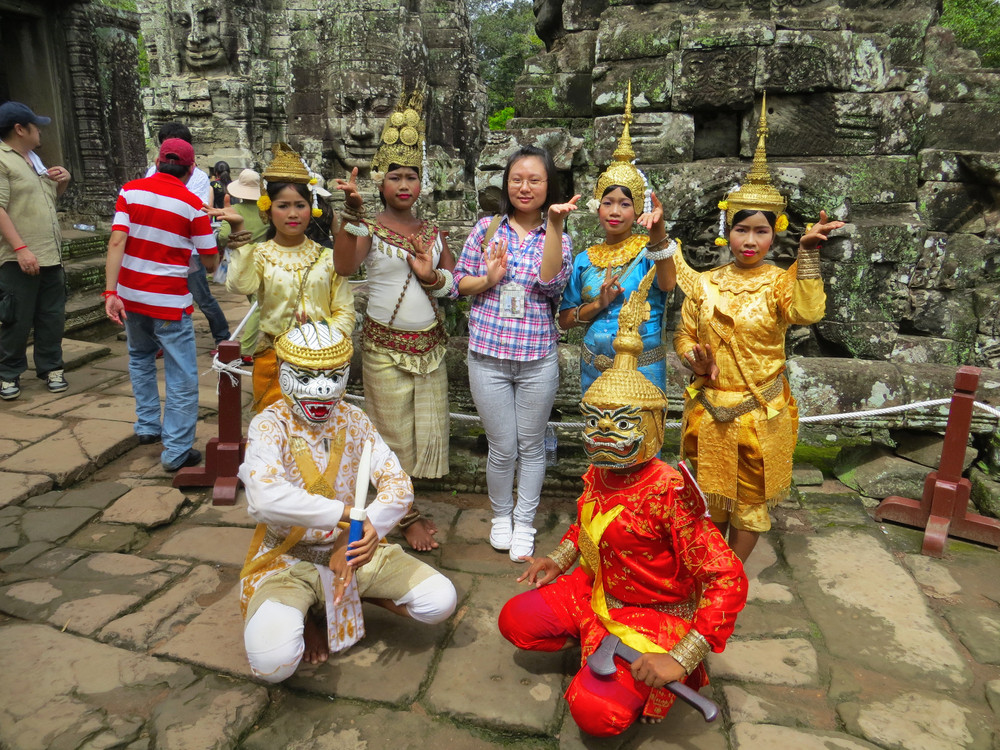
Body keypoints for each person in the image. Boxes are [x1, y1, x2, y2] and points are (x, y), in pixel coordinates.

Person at [498, 268, 748, 736]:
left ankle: (621, 672)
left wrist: (681, 657)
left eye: (621, 424)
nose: (603, 435)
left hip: (654, 612)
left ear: (653, 427)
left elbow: (727, 577)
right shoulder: (600, 471)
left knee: (595, 714)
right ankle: (596, 645)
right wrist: (559, 558)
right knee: (515, 620)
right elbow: (586, 526)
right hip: (597, 588)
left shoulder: (670, 493)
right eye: (595, 422)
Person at [673, 98, 845, 563]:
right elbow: (684, 335)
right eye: (741, 230)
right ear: (726, 232)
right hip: (709, 409)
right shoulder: (705, 283)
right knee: (707, 504)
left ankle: (729, 580)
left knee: (748, 507)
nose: (750, 241)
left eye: (761, 232)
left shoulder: (779, 281)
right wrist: (694, 357)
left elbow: (807, 312)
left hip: (758, 410)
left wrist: (807, 256)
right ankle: (708, 574)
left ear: (775, 235)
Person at [239, 319, 457, 681]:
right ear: (282, 371)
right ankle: (308, 612)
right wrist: (348, 517)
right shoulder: (268, 424)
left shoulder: (354, 420)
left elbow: (398, 484)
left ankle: (357, 594)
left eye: (334, 376)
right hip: (287, 560)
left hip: (356, 553)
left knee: (441, 601)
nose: (323, 390)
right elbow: (264, 497)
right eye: (306, 378)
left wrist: (361, 532)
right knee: (272, 663)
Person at [334, 90, 452, 552]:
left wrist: (438, 275)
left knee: (424, 432)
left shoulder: (432, 231)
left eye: (412, 177)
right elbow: (345, 267)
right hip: (384, 347)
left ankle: (397, 503)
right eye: (395, 177)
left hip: (431, 346)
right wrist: (350, 218)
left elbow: (451, 283)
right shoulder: (369, 226)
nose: (404, 185)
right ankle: (408, 517)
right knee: (391, 437)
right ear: (380, 181)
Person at [453, 145, 575, 561]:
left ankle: (525, 521)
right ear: (506, 183)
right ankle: (501, 516)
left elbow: (550, 284)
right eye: (517, 179)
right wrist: (487, 278)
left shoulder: (558, 235)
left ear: (549, 186)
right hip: (487, 356)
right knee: (502, 446)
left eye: (534, 180)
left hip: (537, 358)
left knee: (532, 445)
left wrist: (555, 227)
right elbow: (456, 285)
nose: (524, 187)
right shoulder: (486, 229)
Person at [103, 138, 218, 470]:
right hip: (168, 301)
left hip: (131, 295)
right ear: (191, 168)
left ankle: (148, 426)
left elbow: (117, 240)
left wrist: (111, 293)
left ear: (157, 160)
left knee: (140, 357)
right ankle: (176, 452)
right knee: (181, 375)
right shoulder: (192, 205)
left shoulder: (130, 191)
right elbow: (209, 260)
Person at [558, 85, 676, 395]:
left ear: (638, 208)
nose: (615, 211)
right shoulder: (585, 259)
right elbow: (566, 320)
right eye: (608, 202)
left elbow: (667, 285)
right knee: (599, 439)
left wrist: (658, 232)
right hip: (594, 363)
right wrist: (598, 303)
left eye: (625, 204)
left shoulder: (652, 250)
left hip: (643, 365)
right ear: (597, 206)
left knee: (643, 440)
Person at [221, 142, 354, 412]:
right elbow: (238, 285)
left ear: (312, 209)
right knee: (274, 437)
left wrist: (320, 342)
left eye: (300, 205)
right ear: (268, 210)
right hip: (273, 360)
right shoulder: (260, 254)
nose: (292, 214)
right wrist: (239, 232)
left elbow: (345, 310)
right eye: (283, 206)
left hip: (324, 365)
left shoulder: (327, 257)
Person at [0, 101, 71, 401]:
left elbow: (43, 203)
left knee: (51, 317)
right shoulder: (3, 160)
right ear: (19, 129)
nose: (40, 131)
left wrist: (62, 183)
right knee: (16, 319)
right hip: (20, 257)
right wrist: (21, 248)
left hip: (50, 254)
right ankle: (7, 374)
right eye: (35, 126)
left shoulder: (33, 160)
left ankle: (51, 367)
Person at [145, 122, 231, 352]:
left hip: (189, 249)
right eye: (165, 143)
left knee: (202, 296)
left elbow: (196, 208)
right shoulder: (151, 172)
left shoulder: (199, 177)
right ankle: (160, 340)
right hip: (159, 245)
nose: (170, 148)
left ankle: (222, 338)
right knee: (160, 296)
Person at [217, 168, 268, 365]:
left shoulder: (234, 211)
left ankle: (247, 347)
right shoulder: (267, 212)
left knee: (257, 304)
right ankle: (248, 347)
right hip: (264, 258)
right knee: (258, 304)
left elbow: (222, 237)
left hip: (241, 259)